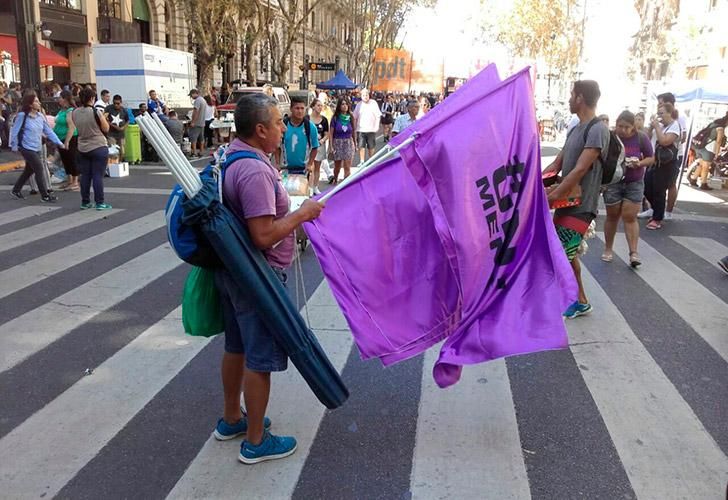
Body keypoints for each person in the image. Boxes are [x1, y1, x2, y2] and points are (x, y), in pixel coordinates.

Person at [212, 92, 325, 464]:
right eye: (277, 123)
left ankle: (232, 419)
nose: (283, 128)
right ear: (260, 130)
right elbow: (262, 235)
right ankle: (256, 441)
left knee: (236, 347)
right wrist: (301, 214)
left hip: (232, 270)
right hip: (259, 276)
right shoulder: (257, 171)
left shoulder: (232, 155)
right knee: (259, 358)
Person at [543, 80, 609, 319]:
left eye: (572, 94)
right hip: (565, 203)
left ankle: (562, 300)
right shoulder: (575, 129)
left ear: (580, 97)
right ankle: (580, 301)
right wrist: (536, 183)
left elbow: (580, 170)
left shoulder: (597, 129)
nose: (569, 99)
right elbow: (557, 164)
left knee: (559, 254)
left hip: (582, 206)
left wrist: (551, 197)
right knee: (567, 255)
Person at [601, 111, 654, 267]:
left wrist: (639, 163)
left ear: (633, 127)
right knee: (612, 216)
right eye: (620, 126)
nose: (623, 130)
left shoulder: (641, 137)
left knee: (630, 217)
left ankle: (633, 253)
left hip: (634, 181)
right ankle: (608, 249)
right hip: (614, 182)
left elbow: (651, 157)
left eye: (627, 127)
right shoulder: (610, 137)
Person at [9, 91, 64, 202]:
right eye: (36, 101)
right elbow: (14, 131)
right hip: (26, 147)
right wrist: (14, 146)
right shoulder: (22, 116)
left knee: (29, 170)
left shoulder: (40, 117)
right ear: (30, 104)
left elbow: (48, 131)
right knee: (39, 168)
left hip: (37, 147)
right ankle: (45, 195)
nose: (39, 103)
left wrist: (59, 143)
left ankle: (16, 190)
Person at [67, 87, 112, 210]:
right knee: (97, 175)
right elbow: (106, 128)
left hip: (82, 146)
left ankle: (85, 201)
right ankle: (100, 202)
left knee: (85, 175)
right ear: (92, 98)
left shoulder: (74, 112)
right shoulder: (96, 112)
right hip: (98, 145)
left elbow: (74, 126)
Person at [643, 103, 680, 230]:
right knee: (647, 186)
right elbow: (647, 138)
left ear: (670, 113)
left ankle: (657, 218)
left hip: (665, 163)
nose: (659, 116)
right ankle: (657, 210)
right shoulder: (660, 126)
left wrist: (657, 127)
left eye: (662, 113)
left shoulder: (674, 126)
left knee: (659, 190)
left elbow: (664, 141)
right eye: (658, 113)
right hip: (654, 160)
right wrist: (650, 126)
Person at [277, 96, 319, 174]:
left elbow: (315, 147)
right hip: (285, 170)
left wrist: (309, 164)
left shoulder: (310, 127)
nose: (300, 111)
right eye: (297, 108)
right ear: (291, 109)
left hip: (304, 170)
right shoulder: (283, 126)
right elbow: (277, 146)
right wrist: (277, 163)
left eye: (302, 108)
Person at [688, 111, 727, 190]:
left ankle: (693, 179)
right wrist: (716, 153)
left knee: (701, 164)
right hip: (708, 149)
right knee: (706, 167)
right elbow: (718, 141)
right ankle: (704, 183)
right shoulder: (720, 128)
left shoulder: (713, 124)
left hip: (700, 146)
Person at [55, 90, 80, 191]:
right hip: (60, 138)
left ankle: (75, 181)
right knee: (65, 160)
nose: (58, 100)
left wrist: (67, 141)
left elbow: (71, 127)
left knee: (72, 159)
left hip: (69, 138)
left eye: (60, 98)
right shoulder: (62, 110)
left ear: (65, 99)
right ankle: (69, 180)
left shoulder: (70, 110)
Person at [328, 97, 356, 183]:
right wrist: (331, 146)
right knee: (337, 166)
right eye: (342, 104)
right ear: (339, 106)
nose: (344, 106)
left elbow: (353, 131)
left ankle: (345, 184)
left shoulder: (351, 117)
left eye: (346, 104)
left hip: (348, 142)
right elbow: (331, 133)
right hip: (338, 143)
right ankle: (335, 180)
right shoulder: (335, 118)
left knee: (347, 166)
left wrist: (355, 143)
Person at [353, 88, 380, 163]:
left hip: (371, 129)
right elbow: (355, 117)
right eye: (363, 95)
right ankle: (362, 161)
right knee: (361, 145)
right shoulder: (359, 104)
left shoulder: (373, 103)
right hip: (361, 129)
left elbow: (378, 116)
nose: (365, 96)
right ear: (361, 96)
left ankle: (371, 160)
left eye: (366, 95)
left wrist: (376, 126)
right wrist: (354, 128)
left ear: (369, 95)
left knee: (371, 146)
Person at [309, 99, 329, 195]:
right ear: (313, 107)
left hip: (320, 146)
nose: (320, 107)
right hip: (309, 146)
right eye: (318, 105)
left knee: (317, 167)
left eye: (321, 106)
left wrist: (323, 140)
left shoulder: (324, 120)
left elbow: (326, 134)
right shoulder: (307, 119)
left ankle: (315, 187)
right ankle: (309, 187)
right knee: (310, 167)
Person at [105, 94, 129, 160]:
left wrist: (123, 127)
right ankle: (113, 165)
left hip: (121, 134)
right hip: (111, 134)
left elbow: (128, 120)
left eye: (118, 103)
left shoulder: (123, 110)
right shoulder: (109, 108)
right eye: (114, 103)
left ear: (121, 102)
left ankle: (119, 163)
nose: (116, 105)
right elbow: (104, 119)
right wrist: (113, 126)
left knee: (122, 152)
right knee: (113, 151)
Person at [188, 89, 208, 158]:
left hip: (197, 122)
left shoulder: (197, 101)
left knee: (194, 138)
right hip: (202, 122)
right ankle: (201, 151)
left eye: (191, 95)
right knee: (201, 138)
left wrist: (193, 121)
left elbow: (196, 111)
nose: (191, 97)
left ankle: (194, 152)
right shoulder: (203, 100)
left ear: (194, 93)